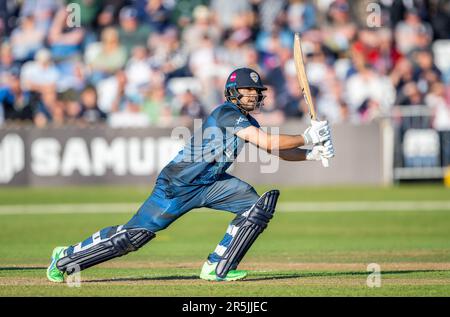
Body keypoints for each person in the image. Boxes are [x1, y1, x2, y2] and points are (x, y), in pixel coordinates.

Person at [46, 68, 335, 282]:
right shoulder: (225, 112)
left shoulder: (249, 121)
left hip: (212, 183)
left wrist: (311, 152)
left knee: (255, 208)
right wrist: (307, 135)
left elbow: (276, 151)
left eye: (257, 92)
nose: (256, 95)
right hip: (179, 184)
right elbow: (269, 142)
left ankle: (217, 265)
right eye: (250, 91)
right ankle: (66, 258)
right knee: (133, 238)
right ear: (235, 92)